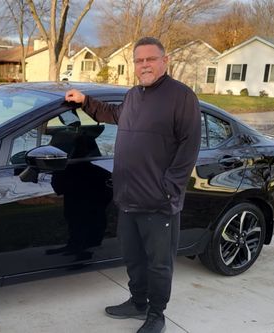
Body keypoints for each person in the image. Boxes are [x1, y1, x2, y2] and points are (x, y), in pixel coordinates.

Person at [64, 36, 201, 333]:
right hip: (127, 197)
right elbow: (114, 115)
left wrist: (169, 188)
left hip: (159, 202)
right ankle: (138, 302)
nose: (145, 65)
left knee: (159, 264)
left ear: (165, 61)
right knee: (133, 258)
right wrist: (85, 102)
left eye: (151, 59)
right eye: (139, 60)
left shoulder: (181, 97)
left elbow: (189, 147)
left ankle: (156, 314)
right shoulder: (134, 95)